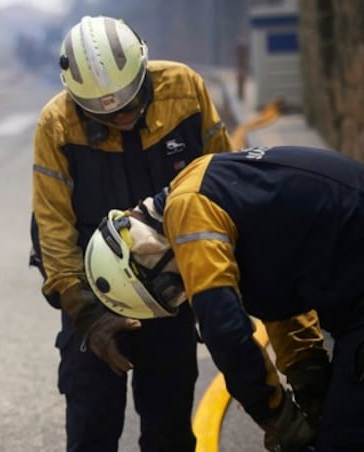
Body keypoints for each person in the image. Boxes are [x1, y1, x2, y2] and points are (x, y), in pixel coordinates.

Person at [30, 15, 232, 451]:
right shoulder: (57, 124)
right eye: (104, 111)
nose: (122, 116)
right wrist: (88, 317)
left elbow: (226, 186)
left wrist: (217, 285)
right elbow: (53, 233)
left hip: (171, 297)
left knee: (170, 432)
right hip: (92, 298)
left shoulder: (185, 90)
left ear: (143, 67)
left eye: (129, 103)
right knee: (91, 430)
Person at [83, 145, 361, 451]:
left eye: (168, 288)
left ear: (141, 252)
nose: (182, 291)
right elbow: (279, 293)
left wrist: (276, 416)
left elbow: (226, 331)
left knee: (344, 438)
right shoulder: (200, 185)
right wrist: (308, 374)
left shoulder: (188, 211)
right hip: (352, 282)